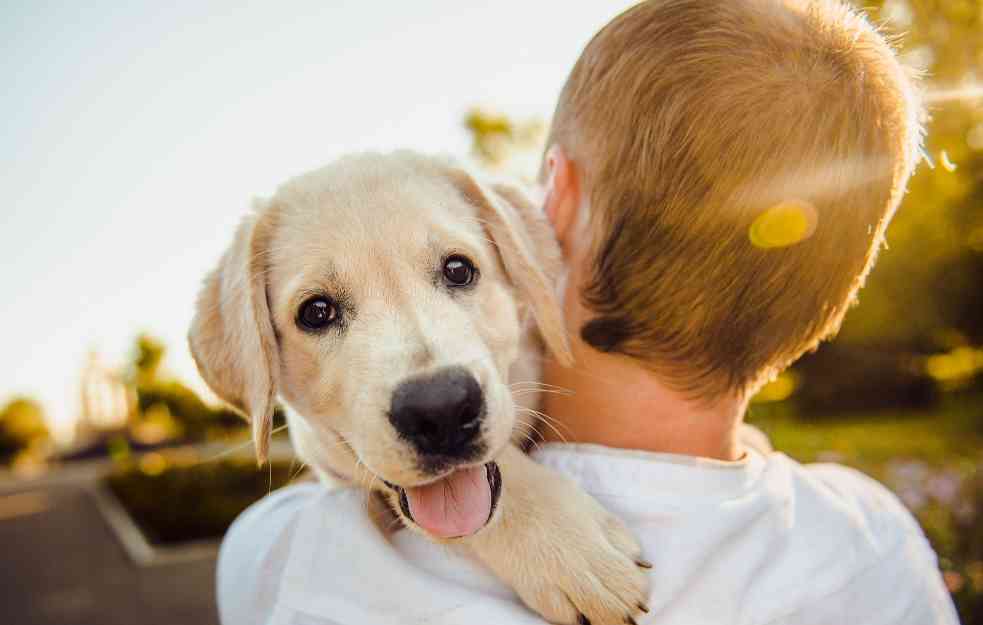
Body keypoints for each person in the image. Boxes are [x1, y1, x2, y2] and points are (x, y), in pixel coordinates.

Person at [216, 1, 959, 624]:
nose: (430, 375)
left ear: (553, 204)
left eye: (455, 271)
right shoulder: (876, 546)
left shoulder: (287, 561)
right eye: (319, 311)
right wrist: (512, 506)